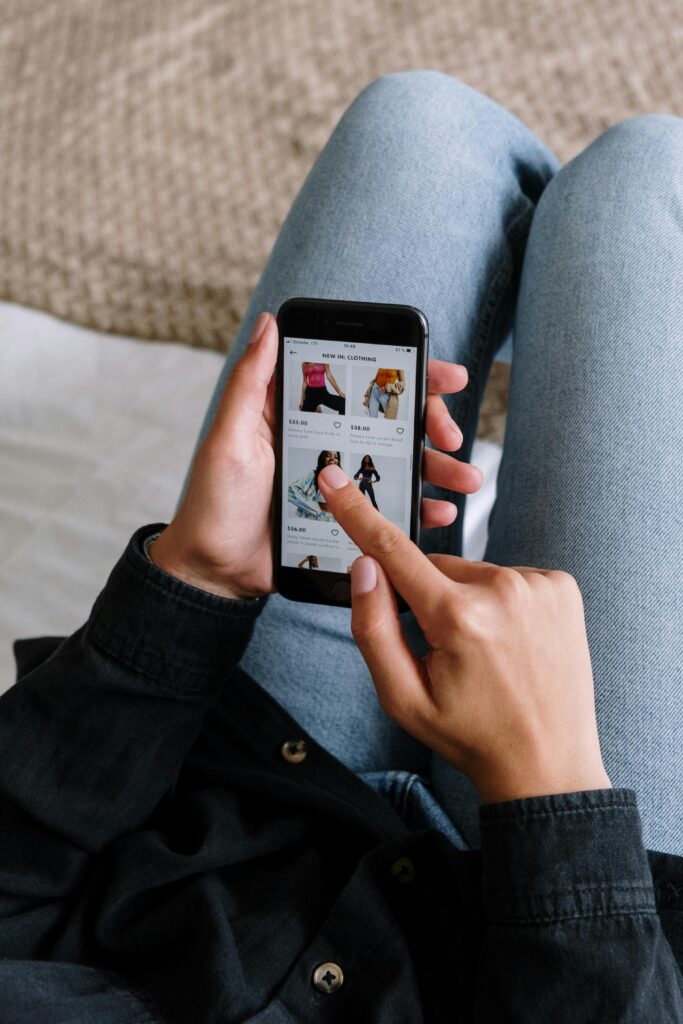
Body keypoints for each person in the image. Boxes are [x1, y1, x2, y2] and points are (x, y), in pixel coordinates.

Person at [0, 70, 682, 1023]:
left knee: (420, 119)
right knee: (643, 179)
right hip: (591, 926)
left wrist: (193, 581)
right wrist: (551, 783)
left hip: (233, 799)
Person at [287, 449, 341, 520]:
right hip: (305, 520)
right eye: (328, 455)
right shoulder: (313, 474)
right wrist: (316, 507)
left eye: (336, 457)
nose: (332, 458)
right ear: (322, 459)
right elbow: (290, 492)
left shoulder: (340, 481)